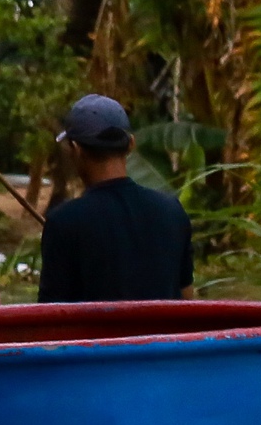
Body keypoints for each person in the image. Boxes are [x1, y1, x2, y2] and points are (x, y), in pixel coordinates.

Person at [37, 94, 196, 302]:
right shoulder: (172, 211)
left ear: (74, 149)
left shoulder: (63, 221)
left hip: (97, 336)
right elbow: (187, 299)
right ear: (130, 144)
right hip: (163, 335)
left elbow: (52, 315)